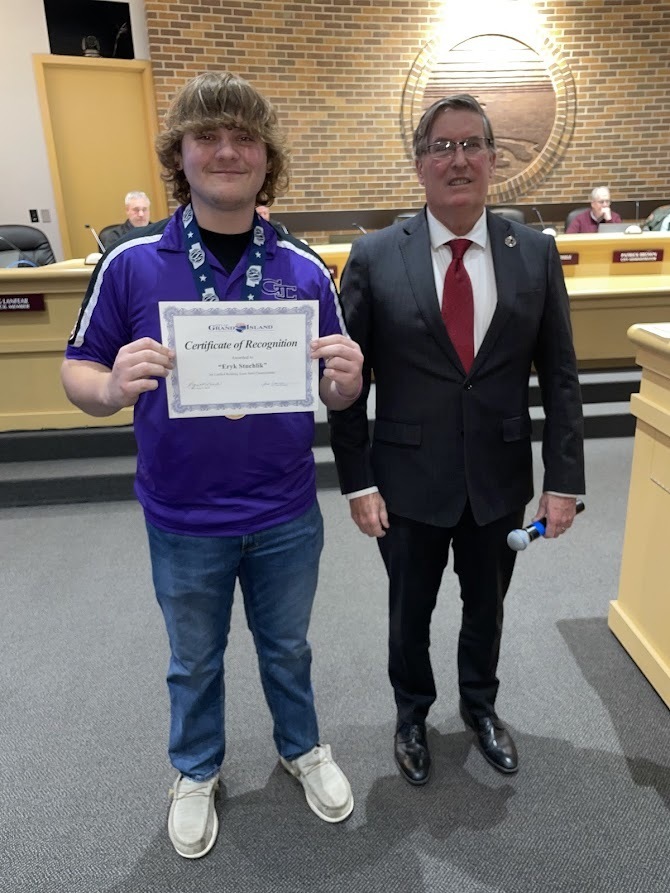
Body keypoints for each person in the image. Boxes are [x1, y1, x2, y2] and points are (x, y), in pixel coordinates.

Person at [61, 71, 363, 859]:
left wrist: (348, 380)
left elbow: (337, 381)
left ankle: (301, 747)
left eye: (245, 138)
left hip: (286, 512)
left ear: (268, 159)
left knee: (288, 646)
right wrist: (107, 386)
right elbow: (79, 370)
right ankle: (196, 770)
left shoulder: (302, 266)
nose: (227, 150)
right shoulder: (130, 262)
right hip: (184, 514)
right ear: (180, 154)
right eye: (208, 136)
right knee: (193, 658)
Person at [329, 93, 585, 786]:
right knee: (408, 612)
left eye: (472, 144)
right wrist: (357, 479)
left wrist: (564, 481)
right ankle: (411, 713)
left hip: (499, 478)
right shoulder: (376, 255)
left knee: (488, 606)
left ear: (494, 160)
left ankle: (481, 705)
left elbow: (560, 375)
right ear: (419, 165)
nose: (458, 158)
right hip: (406, 480)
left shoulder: (532, 252)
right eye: (442, 146)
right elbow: (347, 380)